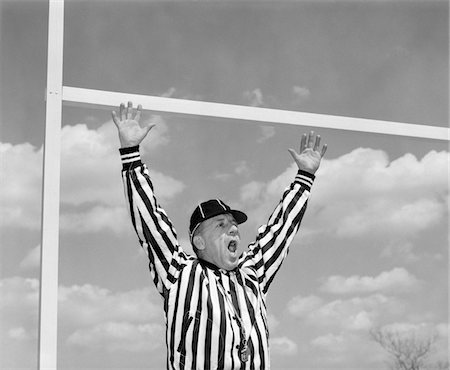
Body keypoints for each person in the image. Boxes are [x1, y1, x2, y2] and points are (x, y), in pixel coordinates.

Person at [112, 101, 327, 370]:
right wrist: (131, 153)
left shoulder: (253, 273)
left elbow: (280, 230)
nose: (233, 228)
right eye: (221, 225)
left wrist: (305, 176)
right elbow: (149, 221)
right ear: (199, 241)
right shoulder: (178, 273)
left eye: (234, 224)